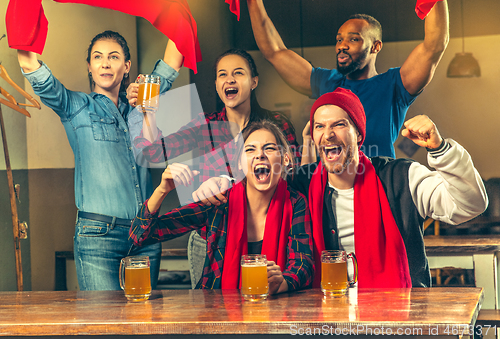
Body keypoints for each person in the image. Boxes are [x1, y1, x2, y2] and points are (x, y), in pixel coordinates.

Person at [193, 88, 488, 288]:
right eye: (319, 126)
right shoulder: (301, 182)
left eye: (339, 124)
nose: (327, 134)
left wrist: (440, 148)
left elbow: (470, 205)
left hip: (403, 316)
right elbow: (258, 188)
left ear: (358, 133)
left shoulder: (402, 177)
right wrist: (222, 183)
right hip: (324, 316)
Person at [238, 0, 449, 158]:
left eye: (353, 39)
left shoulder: (394, 85)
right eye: (339, 39)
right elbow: (274, 51)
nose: (342, 45)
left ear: (376, 47)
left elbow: (435, 44)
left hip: (381, 184)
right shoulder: (327, 82)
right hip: (336, 188)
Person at [17, 30, 184, 290]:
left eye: (114, 57)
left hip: (145, 236)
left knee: (144, 325)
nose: (105, 63)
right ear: (90, 66)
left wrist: (177, 2)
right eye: (98, 57)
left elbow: (173, 61)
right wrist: (25, 2)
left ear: (126, 66)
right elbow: (30, 65)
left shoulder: (143, 102)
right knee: (104, 326)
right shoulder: (76, 106)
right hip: (98, 237)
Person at [127, 48, 301, 287]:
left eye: (238, 73)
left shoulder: (275, 125)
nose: (229, 79)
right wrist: (148, 111)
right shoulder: (206, 125)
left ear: (254, 82)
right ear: (218, 85)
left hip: (265, 233)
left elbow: (293, 177)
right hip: (211, 235)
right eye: (222, 74)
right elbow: (154, 152)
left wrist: (228, 182)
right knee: (212, 307)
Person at [129, 120, 314, 292]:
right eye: (250, 150)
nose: (260, 155)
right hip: (218, 310)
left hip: (275, 310)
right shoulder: (219, 200)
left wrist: (280, 283)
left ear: (285, 159)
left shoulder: (296, 202)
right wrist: (162, 190)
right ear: (239, 164)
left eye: (270, 148)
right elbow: (140, 235)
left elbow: (303, 263)